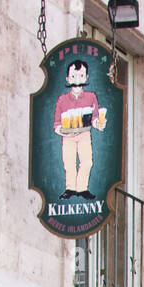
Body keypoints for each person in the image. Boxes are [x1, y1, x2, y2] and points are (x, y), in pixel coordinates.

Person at [53, 58, 103, 200]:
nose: (77, 80)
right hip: (67, 135)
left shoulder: (91, 97)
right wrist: (62, 131)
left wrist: (98, 124)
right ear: (68, 79)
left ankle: (82, 188)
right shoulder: (62, 100)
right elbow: (56, 123)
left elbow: (95, 117)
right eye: (74, 76)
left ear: (86, 77)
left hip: (84, 133)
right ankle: (70, 188)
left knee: (87, 161)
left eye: (81, 76)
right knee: (69, 162)